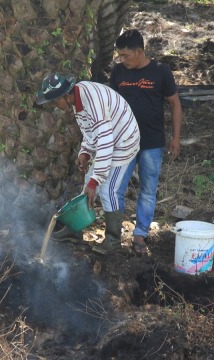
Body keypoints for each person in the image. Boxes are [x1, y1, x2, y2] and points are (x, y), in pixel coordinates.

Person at [35, 72, 140, 254]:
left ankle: (113, 241)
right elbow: (91, 132)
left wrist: (95, 180)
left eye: (55, 102)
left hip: (123, 143)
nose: (56, 107)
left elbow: (106, 142)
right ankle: (75, 231)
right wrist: (85, 152)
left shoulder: (93, 101)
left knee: (108, 190)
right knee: (87, 187)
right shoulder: (77, 100)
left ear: (66, 95)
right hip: (108, 142)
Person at [109, 29, 182, 256]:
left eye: (125, 55)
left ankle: (140, 234)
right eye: (119, 55)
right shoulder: (118, 72)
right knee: (115, 189)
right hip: (122, 143)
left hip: (151, 143)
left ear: (139, 51)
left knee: (148, 190)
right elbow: (109, 104)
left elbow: (175, 104)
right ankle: (113, 235)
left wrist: (176, 138)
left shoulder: (161, 72)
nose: (121, 60)